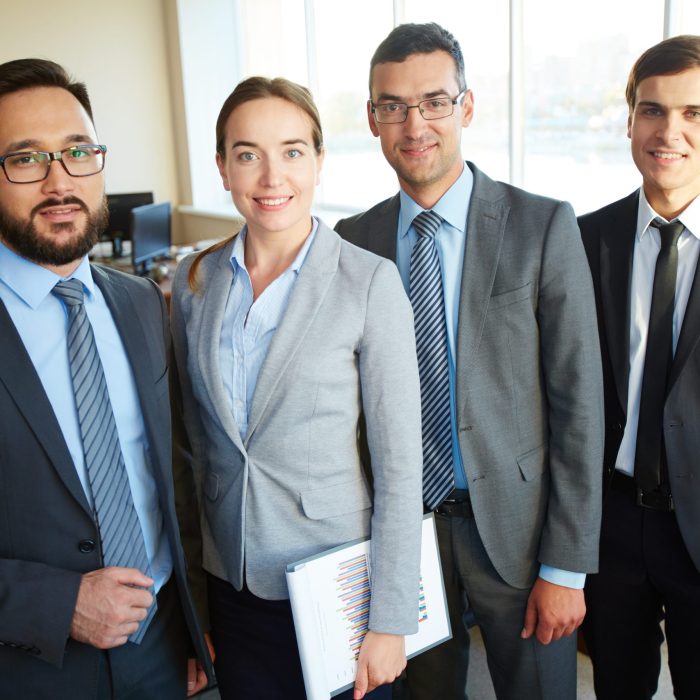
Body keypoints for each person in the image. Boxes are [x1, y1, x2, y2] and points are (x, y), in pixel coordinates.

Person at [335, 23, 604, 700]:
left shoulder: (542, 225)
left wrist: (566, 568)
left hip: (517, 538)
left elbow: (579, 405)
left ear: (467, 107)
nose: (414, 123)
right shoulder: (352, 241)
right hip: (403, 539)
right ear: (372, 118)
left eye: (434, 101)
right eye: (392, 105)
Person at [170, 76, 423, 700]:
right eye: (247, 154)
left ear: (318, 162)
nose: (270, 176)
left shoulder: (369, 282)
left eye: (291, 151)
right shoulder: (193, 282)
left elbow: (399, 466)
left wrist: (392, 620)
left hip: (337, 587)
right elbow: (191, 451)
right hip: (232, 582)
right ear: (223, 168)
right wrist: (193, 603)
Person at [0, 58, 212, 699]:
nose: (59, 181)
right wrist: (57, 602)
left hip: (160, 644)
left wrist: (194, 628)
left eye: (77, 152)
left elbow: (171, 476)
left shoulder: (141, 301)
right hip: (30, 667)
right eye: (26, 159)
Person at [579, 35, 700, 700]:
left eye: (694, 114)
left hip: (699, 528)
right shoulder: (581, 240)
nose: (670, 132)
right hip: (612, 526)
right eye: (653, 110)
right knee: (616, 687)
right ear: (629, 121)